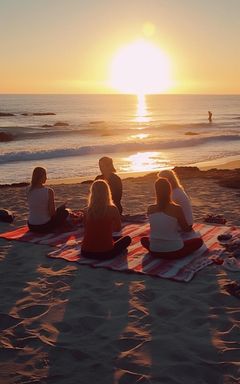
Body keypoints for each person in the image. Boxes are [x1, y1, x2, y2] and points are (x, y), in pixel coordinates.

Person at [140, 178, 203, 259]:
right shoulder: (176, 208)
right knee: (198, 241)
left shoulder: (150, 208)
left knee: (143, 240)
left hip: (154, 251)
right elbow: (186, 229)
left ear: (156, 191)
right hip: (174, 252)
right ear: (169, 190)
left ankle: (161, 248)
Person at [81, 180, 131, 259]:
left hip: (85, 252)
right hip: (105, 253)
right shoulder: (112, 209)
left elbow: (86, 229)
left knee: (113, 238)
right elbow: (118, 229)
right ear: (107, 193)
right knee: (127, 239)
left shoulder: (86, 210)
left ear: (92, 193)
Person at [27, 167, 69, 232]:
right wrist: (59, 210)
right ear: (40, 177)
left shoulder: (28, 190)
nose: (46, 178)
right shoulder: (49, 191)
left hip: (31, 226)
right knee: (65, 212)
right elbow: (52, 213)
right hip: (44, 226)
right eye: (45, 175)